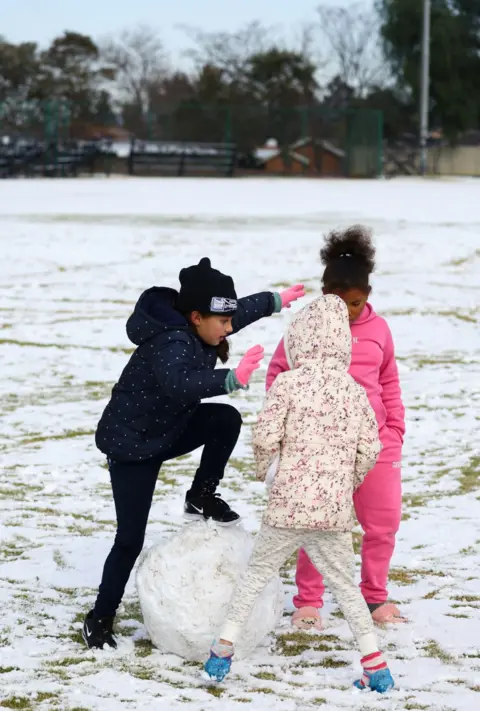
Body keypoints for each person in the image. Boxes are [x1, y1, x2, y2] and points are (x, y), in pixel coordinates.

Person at [83, 257, 305, 649]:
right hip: (132, 447)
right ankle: (100, 617)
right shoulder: (170, 340)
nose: (229, 329)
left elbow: (238, 313)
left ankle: (200, 495)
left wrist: (275, 300)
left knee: (224, 420)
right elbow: (178, 384)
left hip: (168, 429)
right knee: (129, 539)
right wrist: (230, 379)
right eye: (222, 323)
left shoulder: (206, 326)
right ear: (196, 316)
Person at [204, 295, 394, 694]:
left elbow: (266, 435)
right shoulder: (353, 390)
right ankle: (375, 666)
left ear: (299, 339)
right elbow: (370, 448)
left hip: (286, 506)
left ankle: (221, 653)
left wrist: (269, 472)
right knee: (346, 587)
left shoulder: (288, 384)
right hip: (332, 510)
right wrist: (348, 481)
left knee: (256, 576)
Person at [266, 226, 406, 628]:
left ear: (368, 297)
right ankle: (309, 601)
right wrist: (294, 423)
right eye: (337, 302)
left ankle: (374, 597)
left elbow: (390, 380)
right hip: (320, 447)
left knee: (383, 524)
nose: (347, 312)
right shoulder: (304, 329)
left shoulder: (379, 330)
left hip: (377, 443)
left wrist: (394, 428)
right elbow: (278, 373)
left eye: (357, 303)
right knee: (318, 521)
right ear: (323, 292)